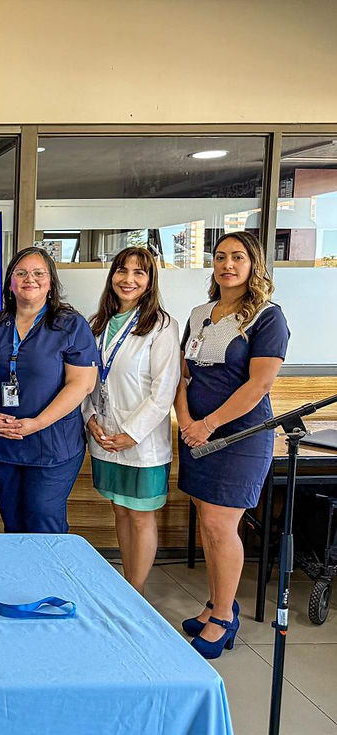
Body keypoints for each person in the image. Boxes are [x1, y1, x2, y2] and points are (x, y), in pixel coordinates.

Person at [176, 231, 289, 659]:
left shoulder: (267, 317)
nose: (228, 265)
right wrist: (187, 421)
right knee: (209, 524)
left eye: (238, 257)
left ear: (253, 263)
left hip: (240, 437)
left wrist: (208, 424)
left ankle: (224, 616)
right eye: (221, 256)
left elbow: (259, 385)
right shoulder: (200, 313)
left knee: (222, 526)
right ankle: (215, 603)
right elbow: (183, 376)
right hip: (196, 433)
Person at [0, 246, 98, 534]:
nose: (29, 279)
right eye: (21, 273)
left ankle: (51, 567)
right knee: (13, 523)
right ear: (10, 282)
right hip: (4, 443)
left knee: (44, 521)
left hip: (52, 444)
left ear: (51, 282)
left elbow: (82, 383)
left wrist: (38, 423)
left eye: (38, 273)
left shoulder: (70, 325)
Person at [82, 247, 180, 594]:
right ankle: (128, 585)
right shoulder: (96, 323)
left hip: (142, 443)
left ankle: (136, 593)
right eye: (122, 271)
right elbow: (86, 378)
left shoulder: (162, 326)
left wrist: (131, 434)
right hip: (104, 435)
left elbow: (164, 390)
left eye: (139, 272)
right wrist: (90, 418)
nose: (128, 279)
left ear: (150, 281)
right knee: (120, 511)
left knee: (140, 515)